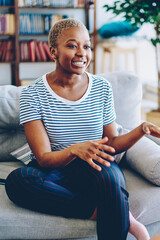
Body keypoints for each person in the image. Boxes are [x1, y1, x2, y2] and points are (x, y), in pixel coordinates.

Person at [5, 18, 160, 240]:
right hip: (54, 169)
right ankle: (109, 213)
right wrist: (74, 150)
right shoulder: (33, 94)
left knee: (112, 180)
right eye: (71, 45)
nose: (82, 53)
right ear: (53, 52)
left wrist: (140, 130)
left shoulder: (102, 88)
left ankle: (114, 210)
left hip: (95, 165)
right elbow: (44, 158)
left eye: (86, 46)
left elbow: (112, 145)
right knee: (18, 181)